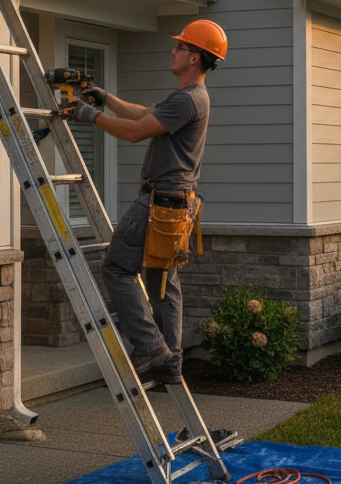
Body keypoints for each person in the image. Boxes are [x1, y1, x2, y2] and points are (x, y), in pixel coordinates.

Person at [72, 19, 228, 384]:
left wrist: (88, 115)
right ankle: (170, 363)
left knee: (116, 269)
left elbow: (133, 133)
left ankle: (148, 347)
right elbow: (144, 115)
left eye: (180, 47)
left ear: (195, 58)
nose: (173, 51)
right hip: (175, 206)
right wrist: (106, 99)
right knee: (162, 282)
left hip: (159, 204)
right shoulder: (189, 99)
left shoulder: (189, 98)